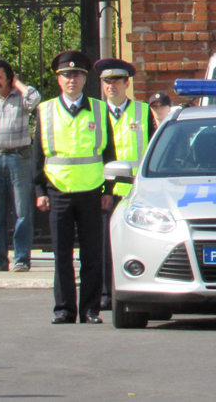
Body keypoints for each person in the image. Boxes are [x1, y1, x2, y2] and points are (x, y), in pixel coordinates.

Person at [33, 50, 113, 324]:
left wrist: (109, 191)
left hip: (92, 192)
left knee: (92, 255)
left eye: (77, 75)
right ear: (59, 80)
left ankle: (90, 310)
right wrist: (40, 192)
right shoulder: (45, 111)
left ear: (84, 78)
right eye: (67, 75)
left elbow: (109, 154)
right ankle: (65, 310)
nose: (72, 80)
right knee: (62, 256)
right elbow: (37, 156)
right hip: (58, 192)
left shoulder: (99, 110)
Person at [93, 57, 153, 310]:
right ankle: (106, 293)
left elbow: (152, 149)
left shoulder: (141, 111)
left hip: (135, 191)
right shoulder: (95, 112)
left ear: (126, 84)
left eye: (116, 81)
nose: (111, 87)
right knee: (104, 245)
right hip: (106, 190)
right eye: (106, 82)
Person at [0, 59, 41, 273]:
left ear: (9, 77)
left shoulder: (21, 98)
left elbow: (35, 98)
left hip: (19, 159)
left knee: (22, 212)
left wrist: (18, 83)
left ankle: (22, 259)